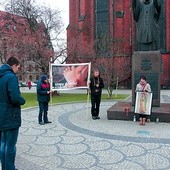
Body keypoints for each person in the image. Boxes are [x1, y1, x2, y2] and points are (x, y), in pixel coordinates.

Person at [0, 57, 26, 170]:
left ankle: (5, 167)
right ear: (13, 65)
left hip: (2, 114)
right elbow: (15, 97)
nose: (18, 69)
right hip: (10, 115)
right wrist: (22, 100)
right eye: (18, 67)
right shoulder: (11, 77)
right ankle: (9, 168)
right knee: (10, 145)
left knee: (3, 143)